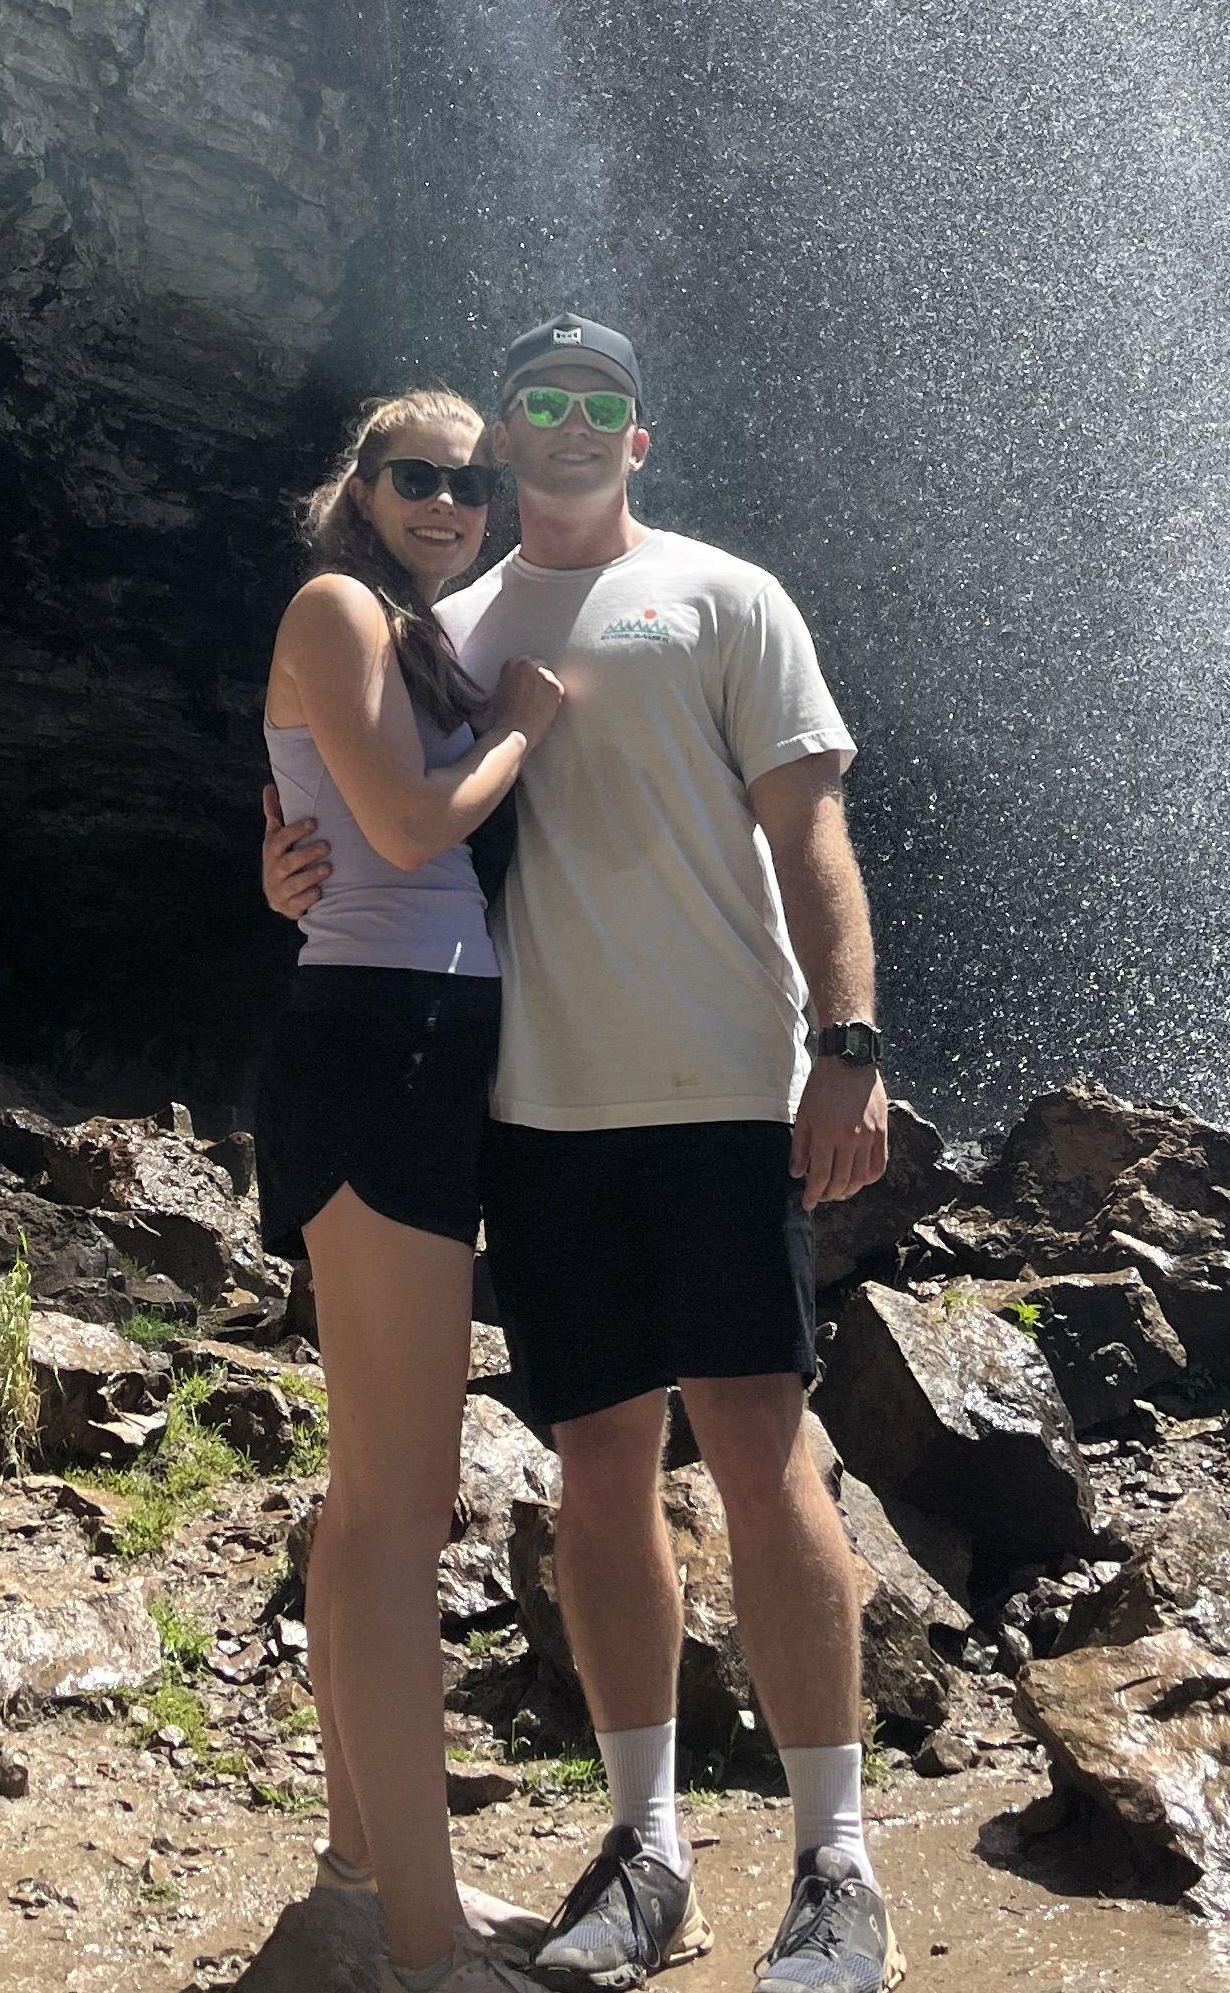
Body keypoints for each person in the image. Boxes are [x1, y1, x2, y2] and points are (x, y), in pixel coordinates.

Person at [266, 316, 901, 1993]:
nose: (541, 439)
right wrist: (291, 861)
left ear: (636, 439)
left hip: (716, 1089)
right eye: (519, 413)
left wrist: (848, 1045)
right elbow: (379, 818)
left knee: (766, 1455)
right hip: (530, 1111)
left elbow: (813, 831)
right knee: (597, 1471)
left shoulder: (722, 594)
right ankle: (648, 1848)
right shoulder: (447, 626)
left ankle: (838, 1866)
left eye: (589, 408)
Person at [257, 386, 578, 1993]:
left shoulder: (403, 631)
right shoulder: (335, 603)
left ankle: (362, 1876)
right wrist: (525, 720)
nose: (451, 499)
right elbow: (396, 820)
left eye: (473, 480)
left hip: (408, 1044)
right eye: (420, 477)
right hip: (378, 1050)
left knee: (373, 1501)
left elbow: (338, 829)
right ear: (364, 487)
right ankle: (424, 1944)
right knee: (399, 1514)